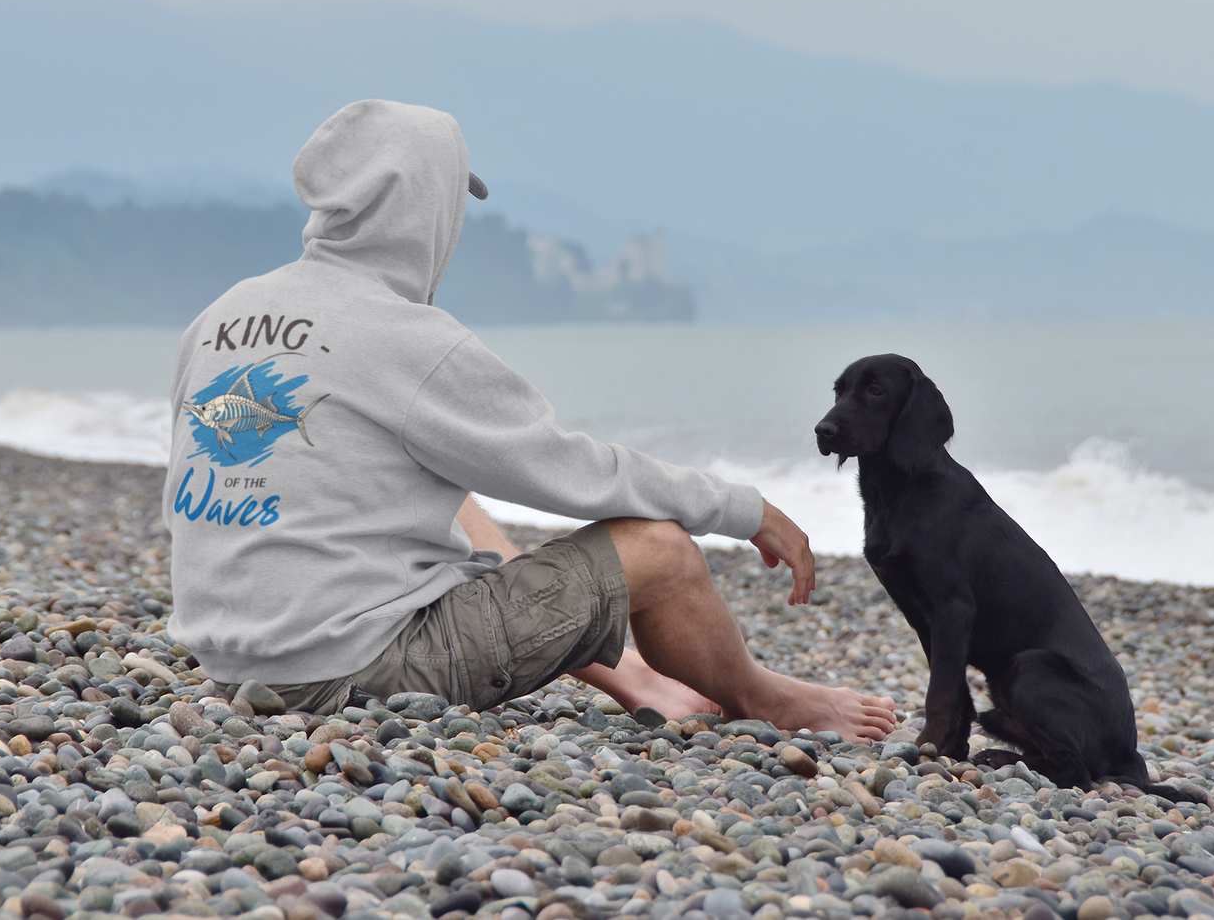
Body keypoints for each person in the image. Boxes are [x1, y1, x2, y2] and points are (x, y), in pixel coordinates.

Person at [163, 99, 895, 742]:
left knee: (441, 484)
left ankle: (634, 675)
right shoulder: (406, 338)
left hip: (233, 663)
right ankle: (763, 697)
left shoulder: (220, 314)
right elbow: (573, 472)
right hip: (353, 671)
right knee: (660, 548)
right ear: (423, 208)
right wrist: (743, 507)